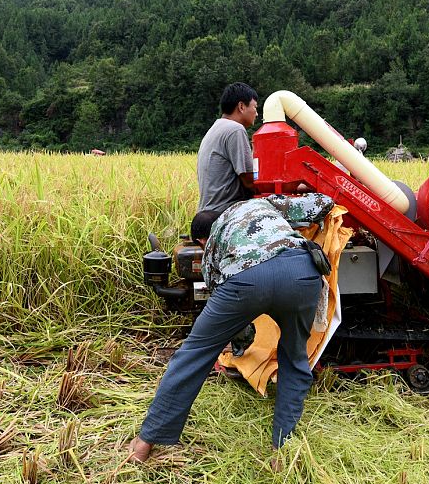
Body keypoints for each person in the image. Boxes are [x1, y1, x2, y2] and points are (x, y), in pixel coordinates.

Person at [128, 192, 334, 463]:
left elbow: (223, 304)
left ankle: (144, 444)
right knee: (294, 359)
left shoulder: (213, 245)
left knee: (194, 353)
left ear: (201, 240)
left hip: (247, 280)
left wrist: (240, 344)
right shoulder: (259, 203)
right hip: (302, 272)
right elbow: (321, 203)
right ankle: (281, 451)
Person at [196, 82, 259, 214]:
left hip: (207, 210)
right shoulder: (235, 129)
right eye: (255, 107)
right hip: (226, 210)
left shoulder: (215, 128)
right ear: (241, 106)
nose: (257, 114)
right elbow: (250, 181)